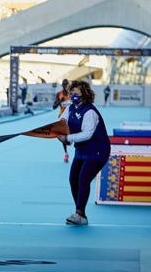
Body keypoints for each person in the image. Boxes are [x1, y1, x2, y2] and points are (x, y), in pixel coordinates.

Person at [56, 80, 111, 226]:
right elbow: (62, 122)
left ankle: (80, 213)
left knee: (83, 178)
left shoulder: (90, 112)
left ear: (84, 94)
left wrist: (67, 138)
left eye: (76, 93)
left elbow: (87, 134)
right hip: (82, 150)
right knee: (73, 178)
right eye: (71, 93)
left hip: (98, 151)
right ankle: (80, 213)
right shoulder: (70, 108)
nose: (73, 96)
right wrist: (57, 133)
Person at [53, 79, 71, 162]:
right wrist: (60, 101)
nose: (65, 86)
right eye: (64, 84)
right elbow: (54, 106)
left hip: (72, 117)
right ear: (62, 85)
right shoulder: (59, 94)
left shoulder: (72, 93)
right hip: (62, 118)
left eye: (66, 84)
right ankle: (66, 154)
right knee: (62, 136)